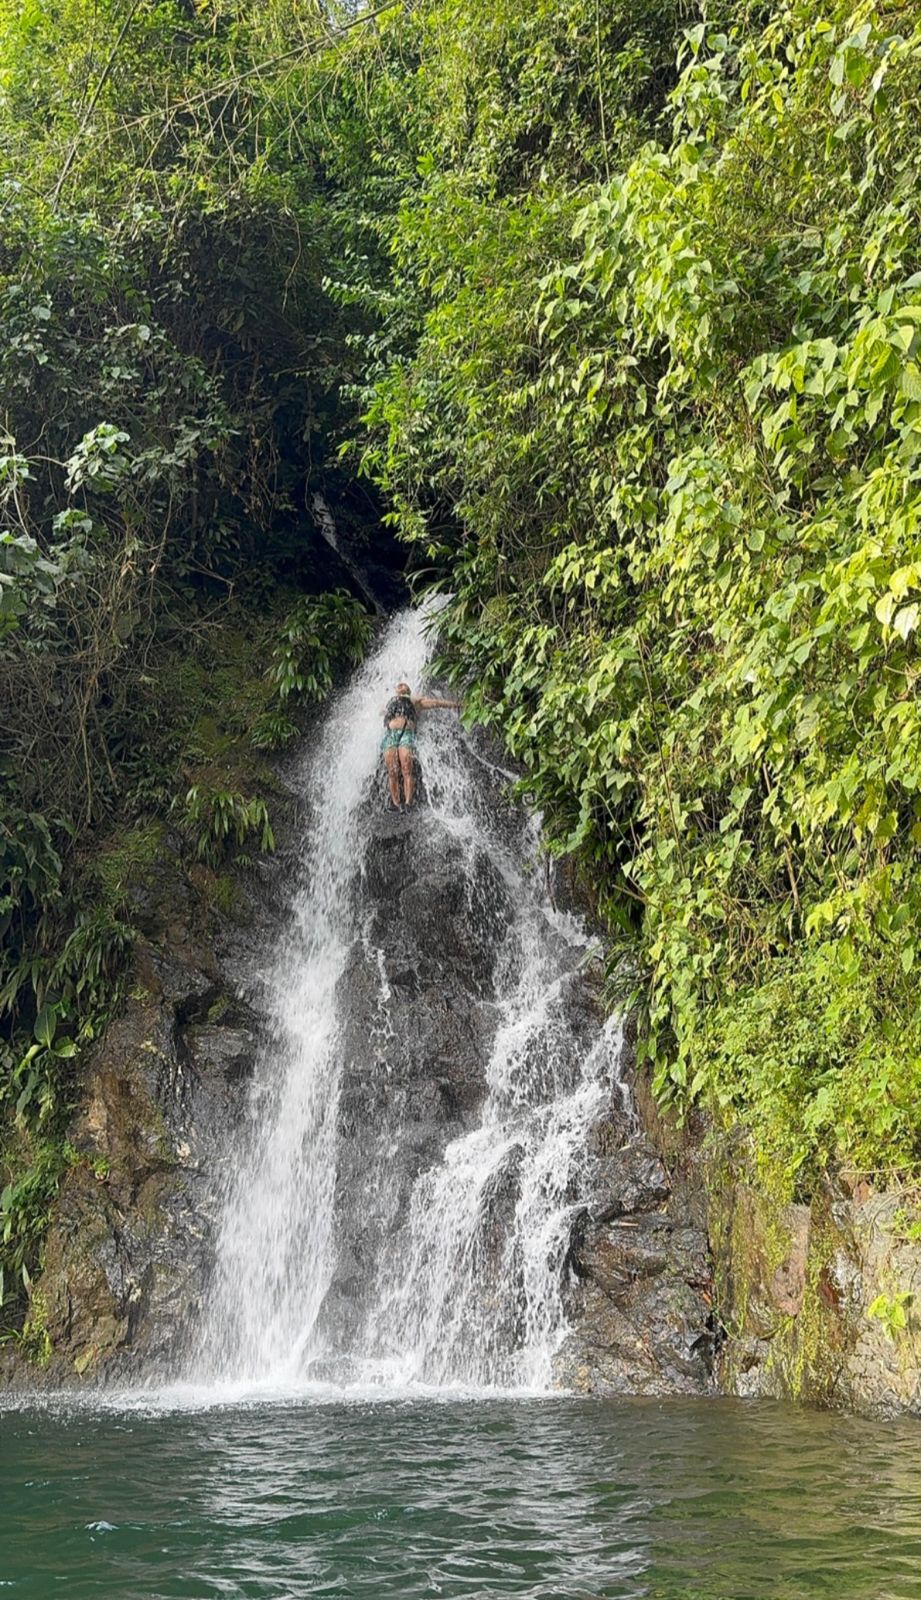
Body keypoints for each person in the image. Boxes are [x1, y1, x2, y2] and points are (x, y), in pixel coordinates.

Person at [380, 680, 460, 810]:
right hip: (390, 734)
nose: (401, 684)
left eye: (404, 685)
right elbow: (378, 713)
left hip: (406, 734)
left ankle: (408, 803)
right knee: (392, 771)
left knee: (406, 768)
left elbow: (436, 703)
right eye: (399, 685)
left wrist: (456, 704)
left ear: (408, 691)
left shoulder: (415, 701)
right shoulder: (390, 703)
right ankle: (395, 804)